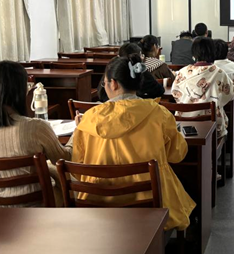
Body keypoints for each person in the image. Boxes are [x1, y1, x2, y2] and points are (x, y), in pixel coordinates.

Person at [73, 54, 195, 230]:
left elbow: (77, 166)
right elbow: (177, 155)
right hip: (152, 202)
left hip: (98, 203)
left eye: (104, 83)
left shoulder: (89, 119)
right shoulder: (159, 113)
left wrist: (80, 128)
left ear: (113, 84)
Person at [0, 61, 72, 204]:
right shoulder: (36, 127)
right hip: (37, 207)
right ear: (19, 91)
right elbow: (63, 159)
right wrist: (77, 135)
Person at [172, 38, 234, 138]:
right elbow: (232, 93)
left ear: (193, 54)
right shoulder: (219, 73)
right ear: (212, 52)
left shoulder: (182, 72)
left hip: (183, 124)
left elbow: (176, 94)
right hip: (212, 126)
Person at [97, 43, 164, 102]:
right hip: (141, 107)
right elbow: (159, 91)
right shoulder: (141, 72)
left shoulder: (112, 70)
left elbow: (101, 94)